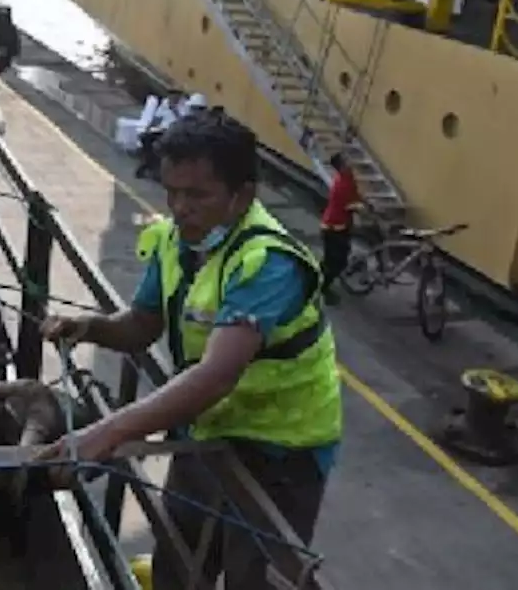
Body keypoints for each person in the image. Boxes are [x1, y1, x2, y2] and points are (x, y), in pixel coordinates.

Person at [37, 110, 342, 590]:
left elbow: (216, 375)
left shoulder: (267, 264)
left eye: (197, 195)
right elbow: (140, 325)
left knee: (252, 578)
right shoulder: (177, 241)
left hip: (280, 452)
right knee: (178, 560)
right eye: (172, 191)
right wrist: (90, 327)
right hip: (208, 429)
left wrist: (109, 431)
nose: (180, 208)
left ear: (242, 195)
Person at [319, 152, 360, 304]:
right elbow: (348, 205)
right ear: (341, 167)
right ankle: (322, 288)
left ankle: (316, 279)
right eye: (346, 161)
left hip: (341, 226)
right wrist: (363, 207)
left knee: (336, 259)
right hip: (333, 228)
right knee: (335, 262)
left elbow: (354, 195)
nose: (350, 162)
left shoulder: (349, 177)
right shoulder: (340, 184)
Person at [134, 90, 183, 179]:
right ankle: (147, 164)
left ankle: (148, 166)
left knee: (161, 145)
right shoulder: (165, 104)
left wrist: (175, 110)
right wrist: (149, 127)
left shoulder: (183, 106)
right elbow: (157, 117)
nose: (173, 99)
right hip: (162, 130)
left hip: (174, 132)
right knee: (146, 139)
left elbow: (183, 121)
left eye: (175, 97)